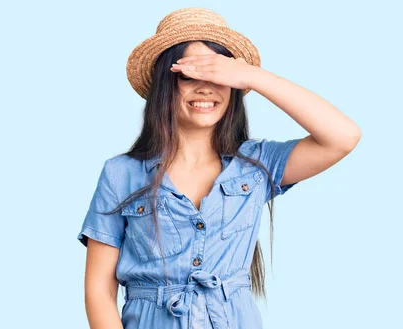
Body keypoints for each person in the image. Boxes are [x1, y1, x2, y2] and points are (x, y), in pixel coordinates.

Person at [76, 7, 361, 329]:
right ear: (164, 85)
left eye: (217, 74)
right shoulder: (121, 173)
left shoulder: (257, 165)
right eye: (189, 75)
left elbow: (342, 137)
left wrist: (254, 76)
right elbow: (98, 289)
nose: (206, 87)